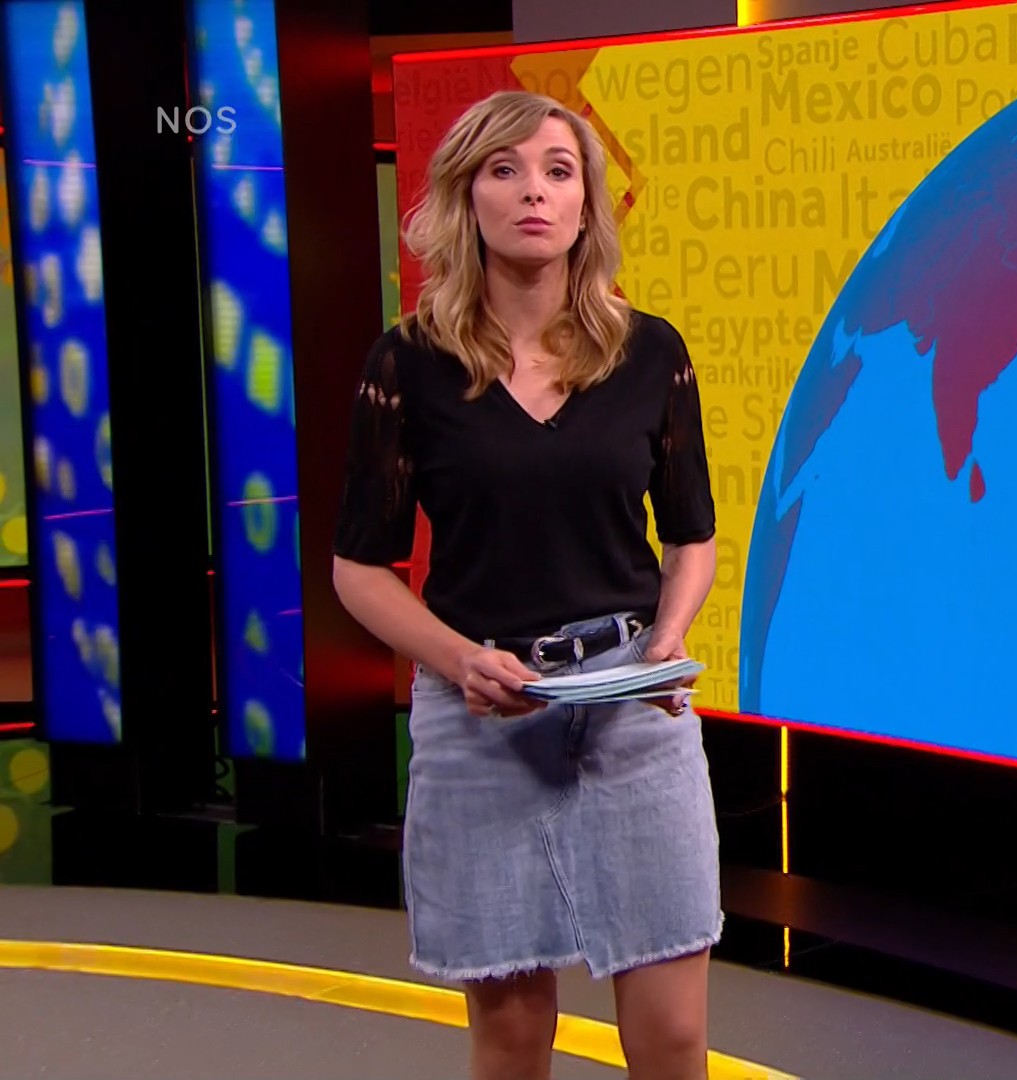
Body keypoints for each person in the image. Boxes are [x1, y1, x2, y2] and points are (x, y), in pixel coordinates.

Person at [331, 89, 721, 1080]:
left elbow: (692, 538)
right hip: (480, 723)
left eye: (557, 170)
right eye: (503, 171)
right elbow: (359, 568)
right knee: (511, 1035)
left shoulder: (651, 353)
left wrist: (668, 639)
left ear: (587, 204)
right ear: (466, 200)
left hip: (631, 708)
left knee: (674, 1035)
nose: (533, 192)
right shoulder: (407, 363)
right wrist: (459, 659)